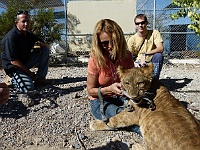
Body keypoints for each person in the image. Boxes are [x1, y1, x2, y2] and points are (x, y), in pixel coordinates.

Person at [87, 19, 140, 134]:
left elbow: (131, 80)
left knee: (144, 111)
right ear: (98, 43)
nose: (110, 46)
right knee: (128, 118)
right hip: (101, 100)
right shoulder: (95, 59)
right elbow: (90, 91)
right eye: (105, 43)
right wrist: (109, 89)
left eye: (113, 41)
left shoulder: (126, 56)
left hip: (122, 97)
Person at [1, 10, 51, 95]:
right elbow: (14, 61)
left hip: (24, 63)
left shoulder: (28, 35)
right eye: (23, 21)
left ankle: (40, 79)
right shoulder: (11, 38)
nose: (26, 24)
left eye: (27, 21)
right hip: (14, 67)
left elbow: (46, 45)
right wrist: (31, 75)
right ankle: (12, 79)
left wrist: (39, 44)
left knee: (44, 50)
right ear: (16, 23)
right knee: (28, 88)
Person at [127, 14, 164, 79]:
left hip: (151, 61)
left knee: (159, 56)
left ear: (146, 23)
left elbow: (160, 48)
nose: (140, 25)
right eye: (137, 23)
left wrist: (145, 54)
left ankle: (154, 80)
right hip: (138, 63)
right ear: (135, 25)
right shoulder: (132, 39)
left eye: (142, 23)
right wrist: (135, 64)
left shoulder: (154, 33)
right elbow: (127, 56)